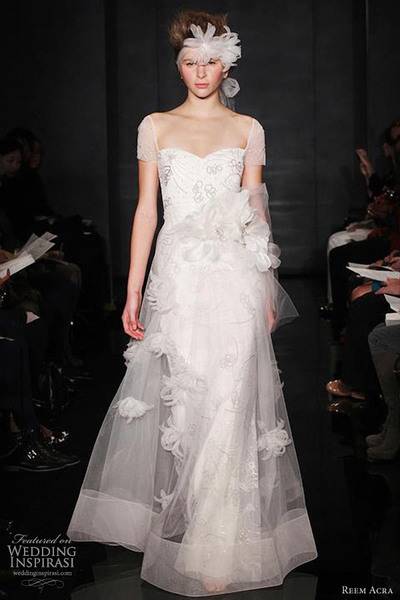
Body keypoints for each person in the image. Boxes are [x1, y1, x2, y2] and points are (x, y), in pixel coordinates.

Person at [67, 10, 318, 596]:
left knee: (232, 399)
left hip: (235, 276)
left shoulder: (249, 128)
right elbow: (146, 210)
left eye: (209, 62)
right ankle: (197, 525)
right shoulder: (154, 126)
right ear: (177, 65)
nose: (200, 71)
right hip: (177, 278)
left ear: (226, 66)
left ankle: (217, 540)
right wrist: (132, 289)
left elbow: (256, 211)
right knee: (188, 400)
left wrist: (266, 285)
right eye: (189, 61)